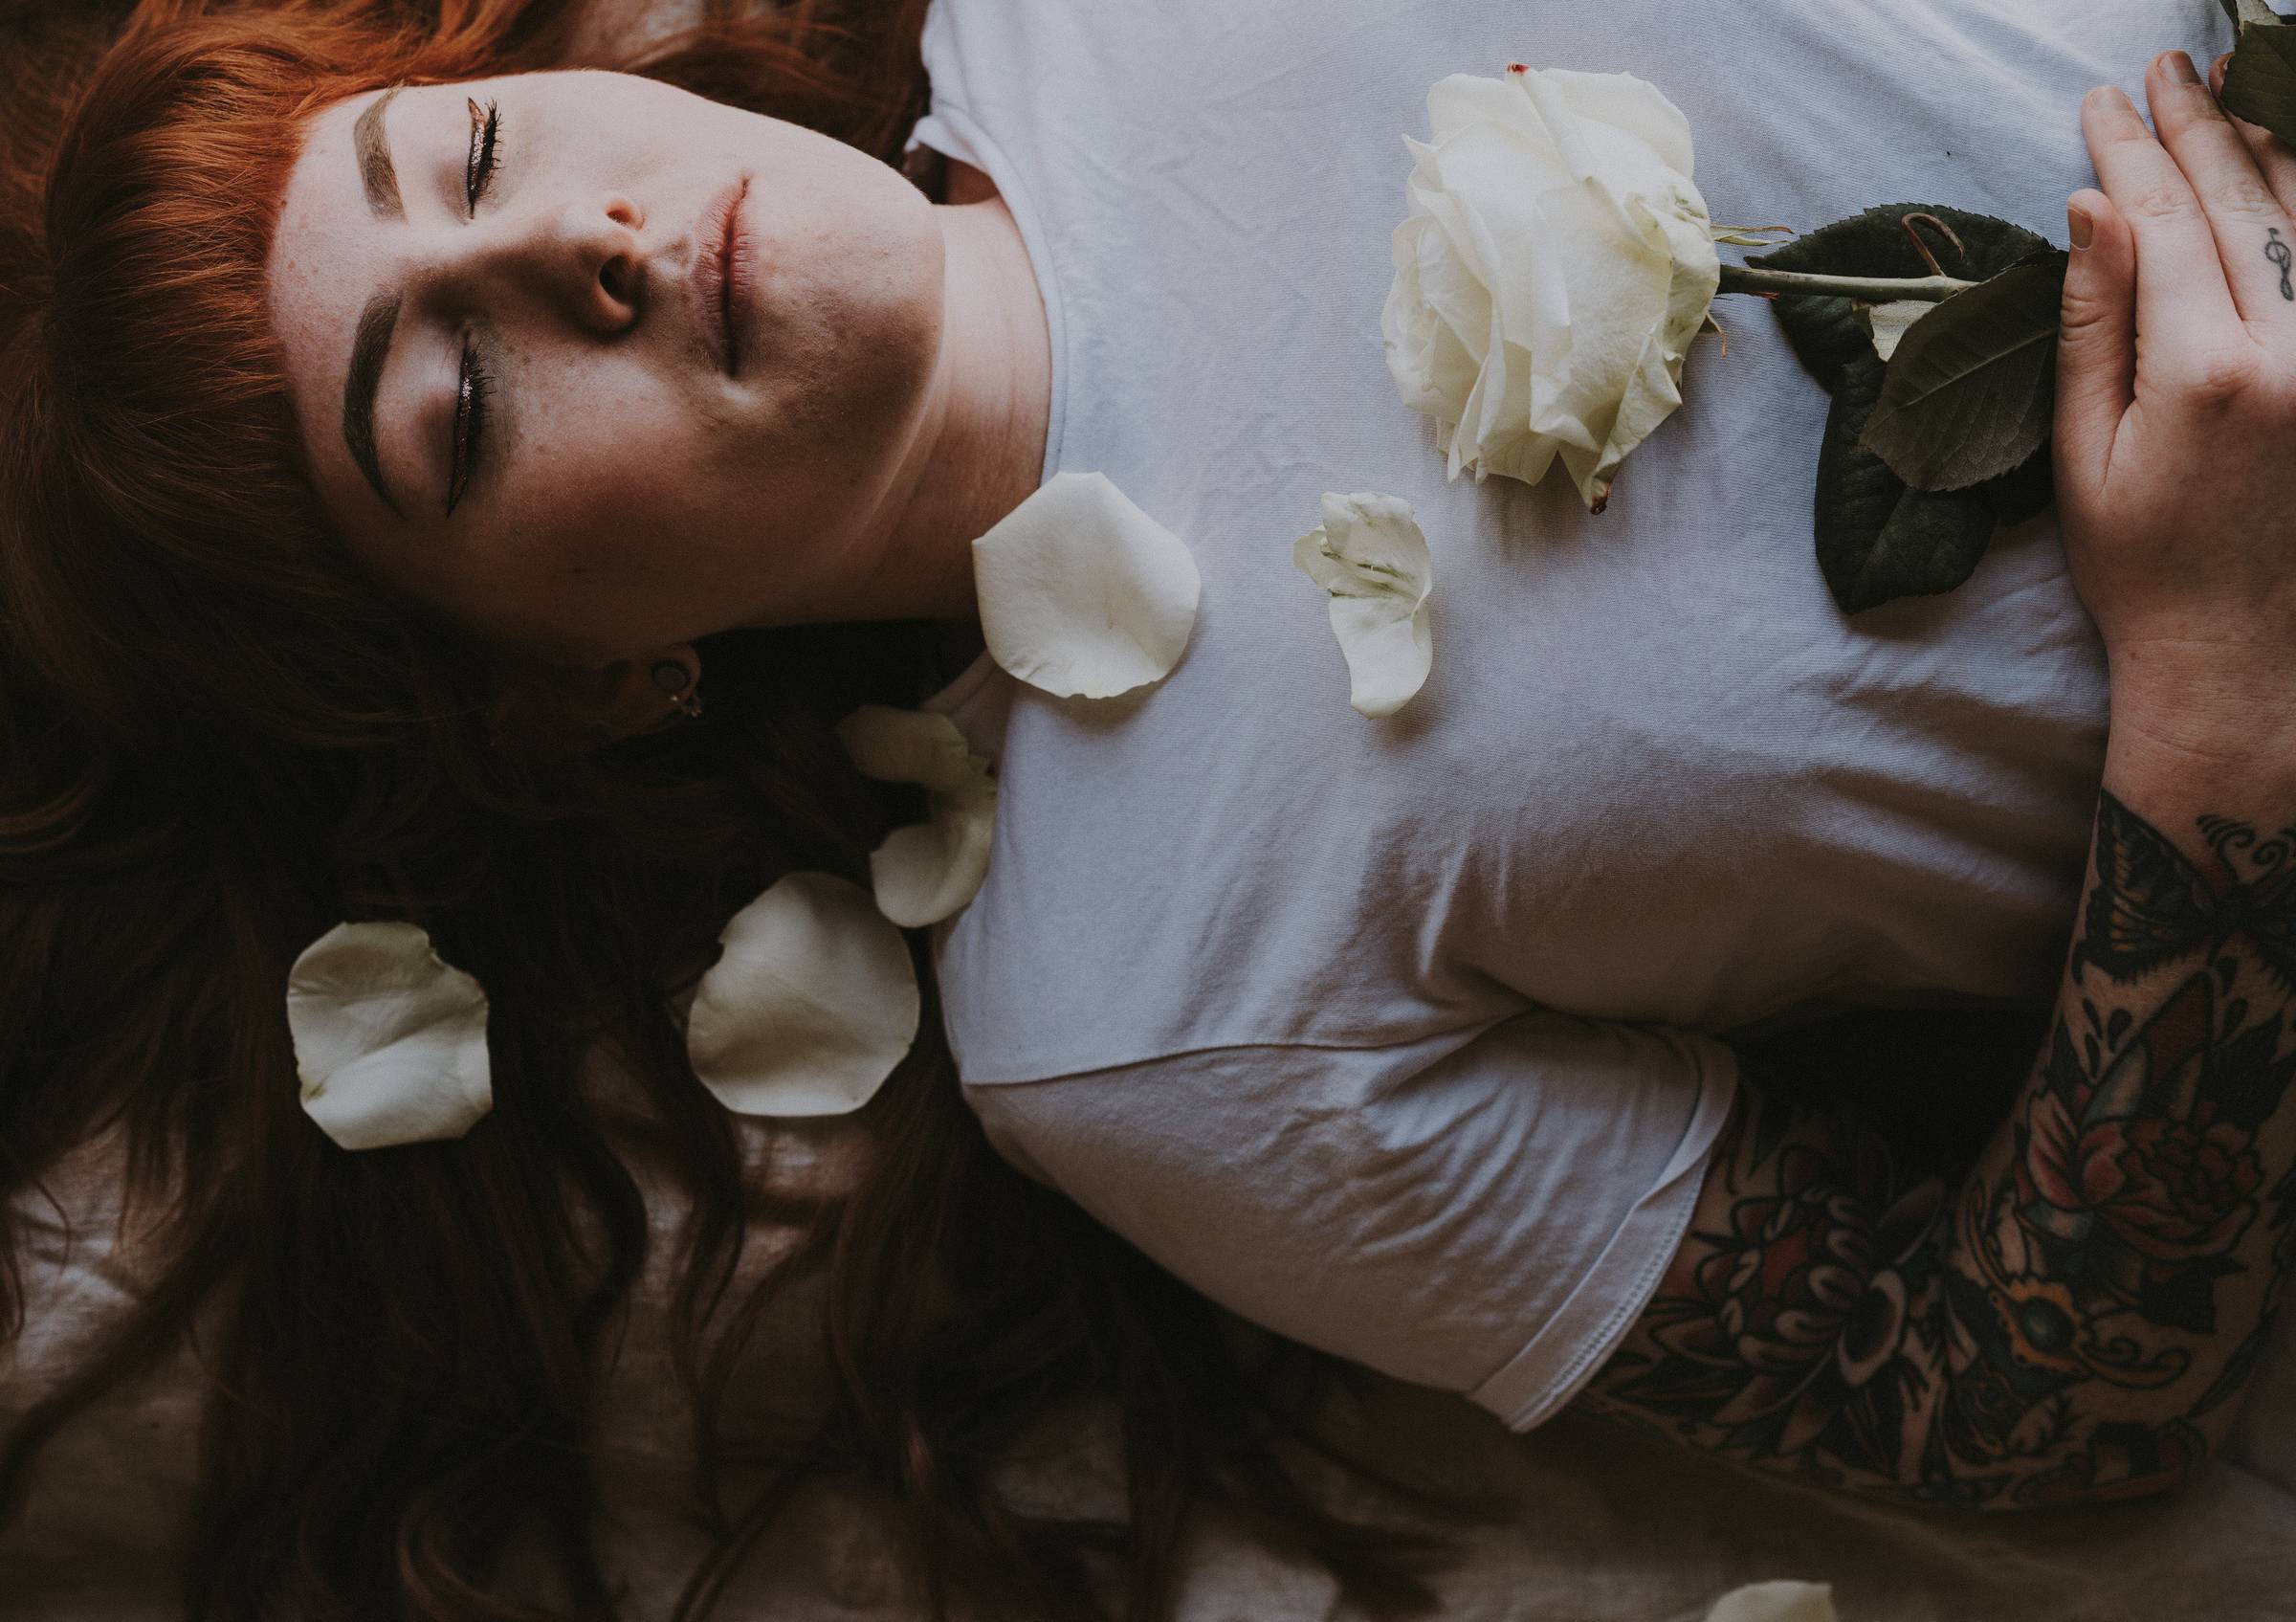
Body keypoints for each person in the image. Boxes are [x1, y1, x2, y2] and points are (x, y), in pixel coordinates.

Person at [2, 0, 2290, 1611]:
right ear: (574, 694)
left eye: (477, 148)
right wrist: (2219, 690)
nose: (564, 241)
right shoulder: (1141, 1020)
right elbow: (2021, 1400)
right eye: (462, 402)